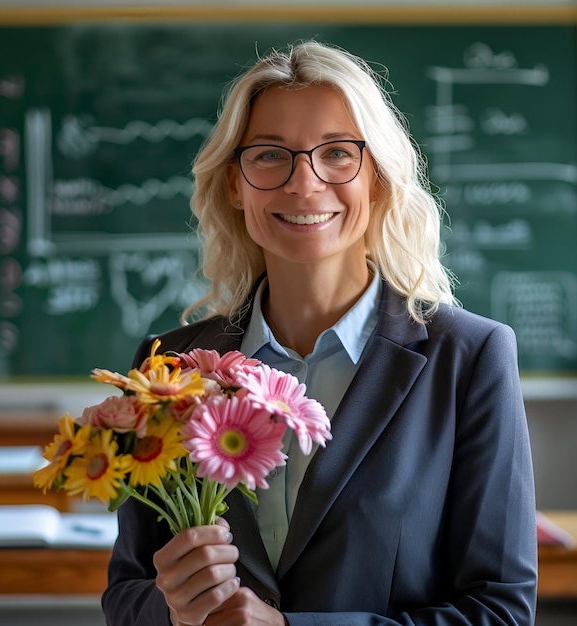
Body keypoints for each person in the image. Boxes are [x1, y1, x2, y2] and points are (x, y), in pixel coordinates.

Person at [101, 40, 537, 625]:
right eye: (269, 155)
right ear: (235, 184)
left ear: (378, 178)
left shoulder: (471, 357)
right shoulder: (166, 367)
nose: (304, 184)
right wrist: (176, 611)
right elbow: (126, 595)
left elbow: (501, 611)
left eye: (337, 153)